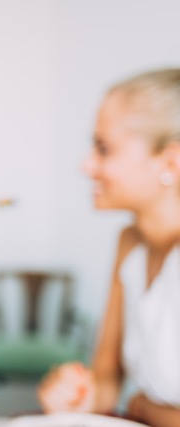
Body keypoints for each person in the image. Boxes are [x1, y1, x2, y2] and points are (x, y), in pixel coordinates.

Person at [37, 68, 180, 426]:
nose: (86, 165)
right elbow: (107, 381)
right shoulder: (129, 243)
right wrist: (78, 393)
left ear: (169, 162)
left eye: (104, 148)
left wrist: (141, 407)